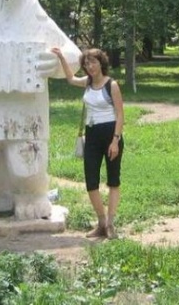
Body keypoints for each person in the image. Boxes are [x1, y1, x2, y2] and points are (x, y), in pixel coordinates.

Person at [52, 47, 124, 239]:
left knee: (113, 180)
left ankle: (110, 223)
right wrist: (61, 58)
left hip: (110, 134)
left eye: (93, 62)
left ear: (101, 63)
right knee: (91, 182)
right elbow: (70, 79)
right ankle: (101, 222)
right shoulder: (88, 83)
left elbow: (120, 115)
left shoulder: (112, 85)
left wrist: (115, 141)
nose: (90, 67)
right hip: (91, 134)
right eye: (86, 64)